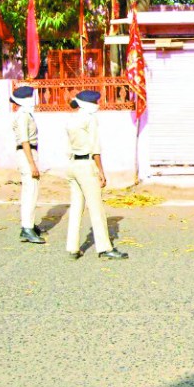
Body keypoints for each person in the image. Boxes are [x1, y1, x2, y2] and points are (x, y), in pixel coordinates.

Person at [65, 90, 128, 260]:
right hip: (86, 165)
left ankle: (72, 247)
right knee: (96, 208)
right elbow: (95, 148)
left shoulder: (72, 118)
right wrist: (100, 171)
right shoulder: (90, 119)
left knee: (76, 207)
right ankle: (104, 247)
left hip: (72, 164)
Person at [11, 86, 45, 244]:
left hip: (27, 153)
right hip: (27, 154)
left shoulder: (23, 114)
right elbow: (25, 141)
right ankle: (27, 228)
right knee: (30, 191)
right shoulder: (23, 116)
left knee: (29, 191)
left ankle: (29, 224)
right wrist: (32, 165)